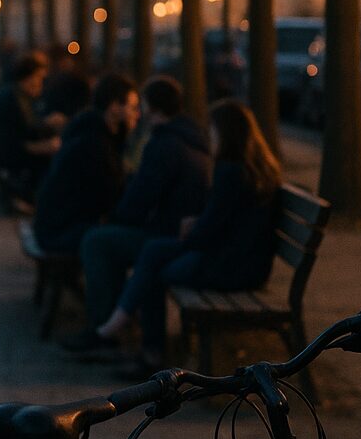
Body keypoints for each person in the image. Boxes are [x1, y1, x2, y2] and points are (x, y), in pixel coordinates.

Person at [97, 100, 282, 377]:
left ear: (226, 134)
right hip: (242, 261)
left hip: (230, 268)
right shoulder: (254, 169)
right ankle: (124, 328)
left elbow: (207, 235)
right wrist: (196, 226)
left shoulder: (230, 171)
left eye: (213, 130)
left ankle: (143, 347)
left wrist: (191, 232)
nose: (210, 136)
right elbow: (228, 220)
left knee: (155, 267)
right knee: (154, 250)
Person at [64, 75, 211, 354]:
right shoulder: (190, 137)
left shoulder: (165, 145)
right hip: (177, 231)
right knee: (109, 240)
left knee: (97, 241)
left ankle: (101, 328)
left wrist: (117, 216)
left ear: (152, 108)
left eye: (142, 106)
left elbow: (139, 200)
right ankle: (115, 321)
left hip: (166, 235)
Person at [30, 74, 138, 254]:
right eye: (132, 107)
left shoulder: (90, 132)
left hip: (56, 226)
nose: (137, 114)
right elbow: (110, 196)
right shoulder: (94, 144)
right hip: (61, 232)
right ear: (113, 107)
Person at [0, 51, 62, 200]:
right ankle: (36, 197)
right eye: (39, 78)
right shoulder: (15, 97)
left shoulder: (13, 92)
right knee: (49, 155)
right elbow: (26, 130)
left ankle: (36, 195)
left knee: (50, 148)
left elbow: (23, 127)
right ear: (29, 77)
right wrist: (45, 143)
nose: (41, 82)